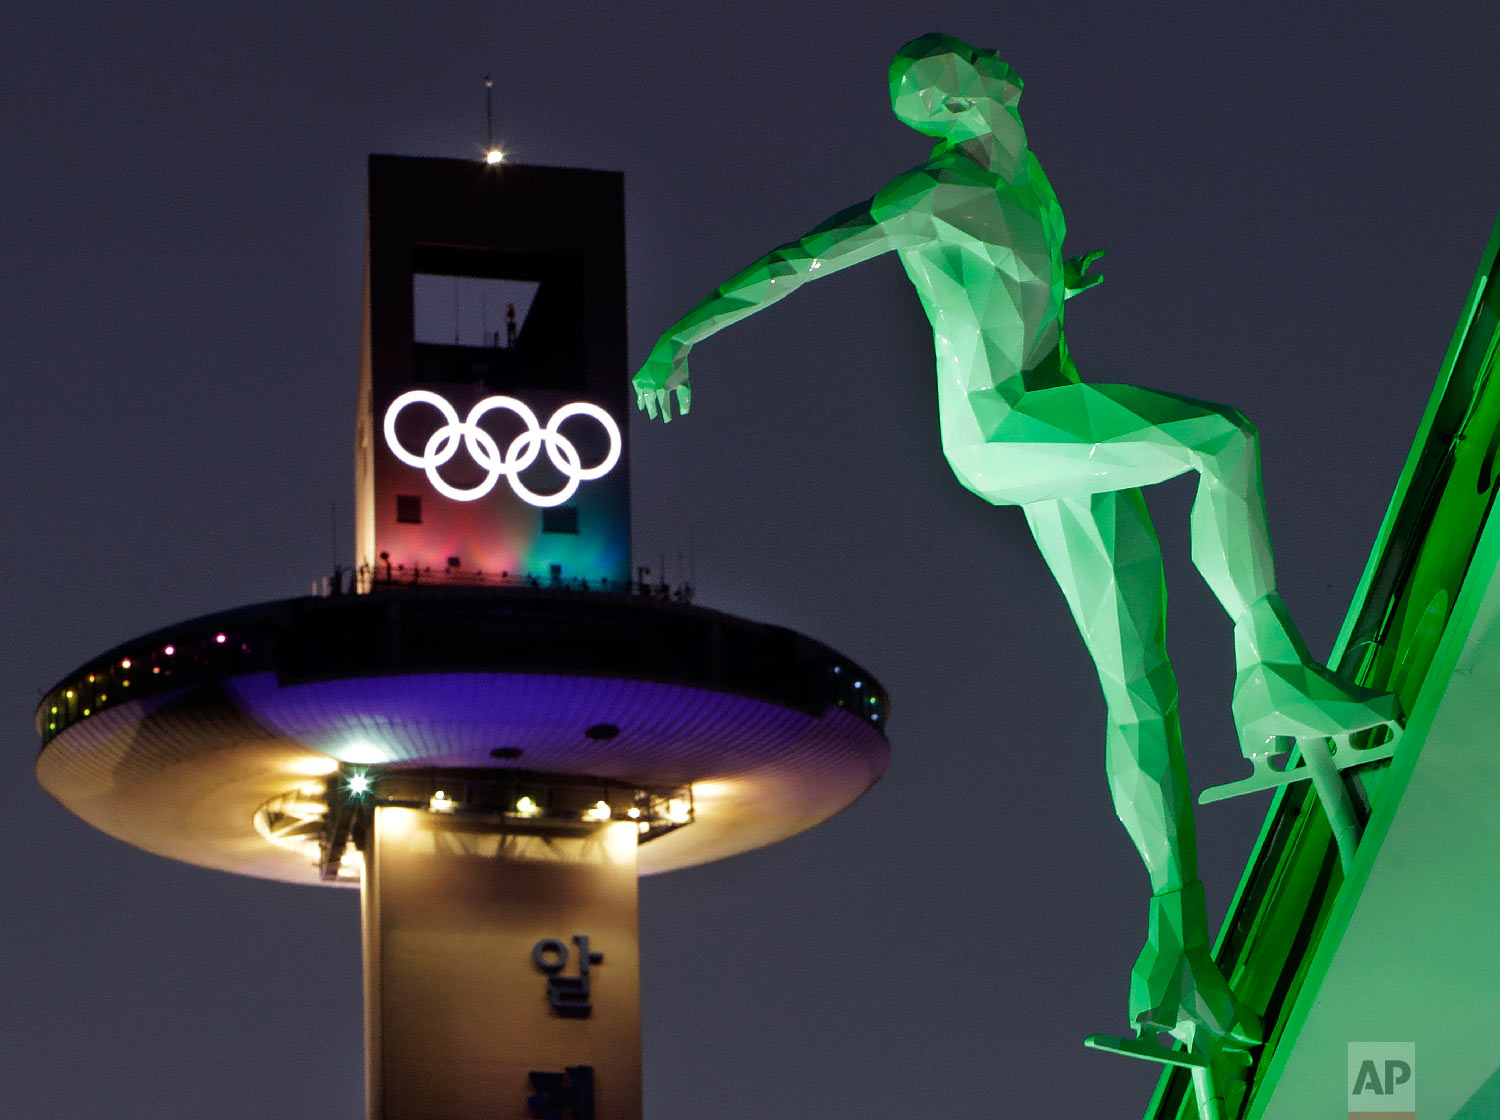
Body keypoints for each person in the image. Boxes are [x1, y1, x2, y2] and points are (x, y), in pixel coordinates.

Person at [632, 32, 1398, 1062]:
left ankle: (1179, 950)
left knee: (1138, 678)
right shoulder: (936, 190)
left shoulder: (1022, 178)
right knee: (1222, 441)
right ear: (951, 100)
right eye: (969, 59)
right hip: (1009, 433)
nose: (996, 56)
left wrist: (1054, 287)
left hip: (1050, 416)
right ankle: (1272, 672)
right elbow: (802, 259)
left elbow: (1006, 297)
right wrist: (681, 338)